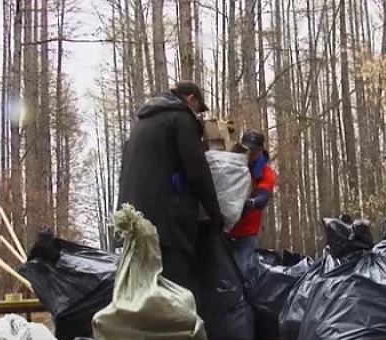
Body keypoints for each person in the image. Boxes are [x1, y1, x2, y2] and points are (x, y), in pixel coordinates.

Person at [116, 81, 223, 296]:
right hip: (165, 221)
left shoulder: (144, 123)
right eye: (198, 109)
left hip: (132, 217)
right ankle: (186, 328)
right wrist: (214, 213)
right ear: (190, 99)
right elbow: (196, 169)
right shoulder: (181, 118)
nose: (198, 115)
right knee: (178, 288)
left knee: (144, 287)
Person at [227, 129, 277, 277]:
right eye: (247, 149)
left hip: (247, 234)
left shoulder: (266, 173)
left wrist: (248, 204)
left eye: (254, 151)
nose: (250, 154)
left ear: (261, 150)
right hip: (225, 232)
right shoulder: (232, 165)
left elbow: (262, 198)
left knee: (245, 272)